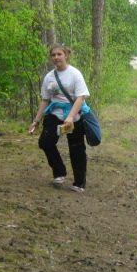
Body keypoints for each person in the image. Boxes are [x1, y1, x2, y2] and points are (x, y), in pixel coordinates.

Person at [29, 44, 90, 193]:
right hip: (54, 115)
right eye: (53, 55)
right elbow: (45, 100)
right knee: (45, 142)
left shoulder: (75, 74)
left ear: (66, 55)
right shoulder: (49, 77)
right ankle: (59, 172)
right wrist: (36, 121)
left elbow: (80, 97)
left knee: (76, 149)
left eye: (59, 54)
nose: (56, 57)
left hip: (74, 116)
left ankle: (79, 183)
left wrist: (70, 117)